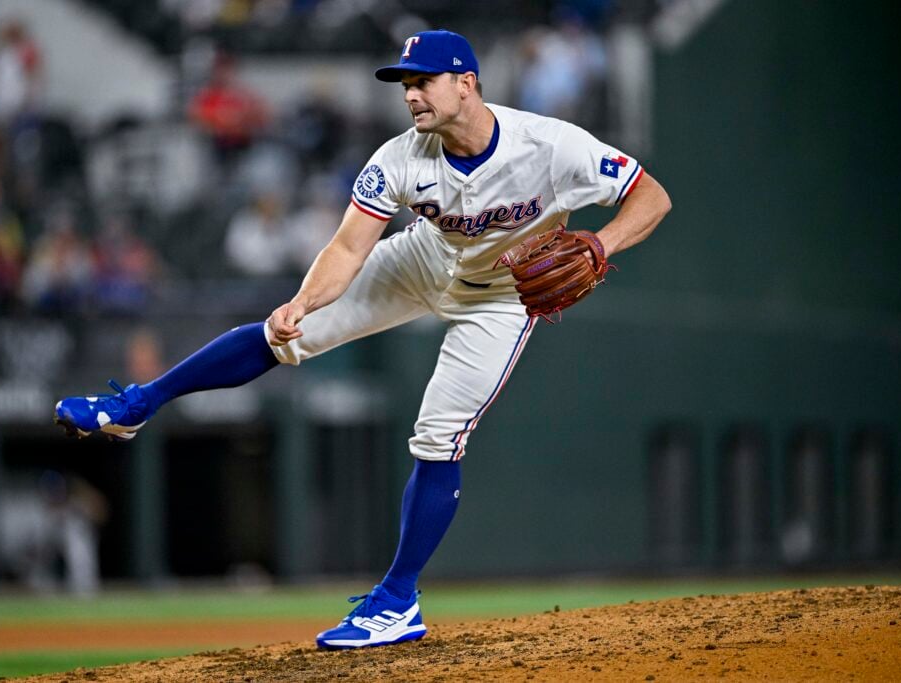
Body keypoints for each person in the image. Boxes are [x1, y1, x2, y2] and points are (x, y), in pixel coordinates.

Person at [55, 30, 671, 648]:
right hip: (423, 260)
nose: (411, 96)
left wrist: (600, 242)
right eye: (405, 85)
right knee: (280, 334)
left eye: (423, 81)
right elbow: (350, 246)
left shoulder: (549, 144)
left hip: (501, 299)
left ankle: (398, 600)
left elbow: (652, 195)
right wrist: (302, 303)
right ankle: (138, 405)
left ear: (467, 83)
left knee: (439, 435)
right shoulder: (401, 156)